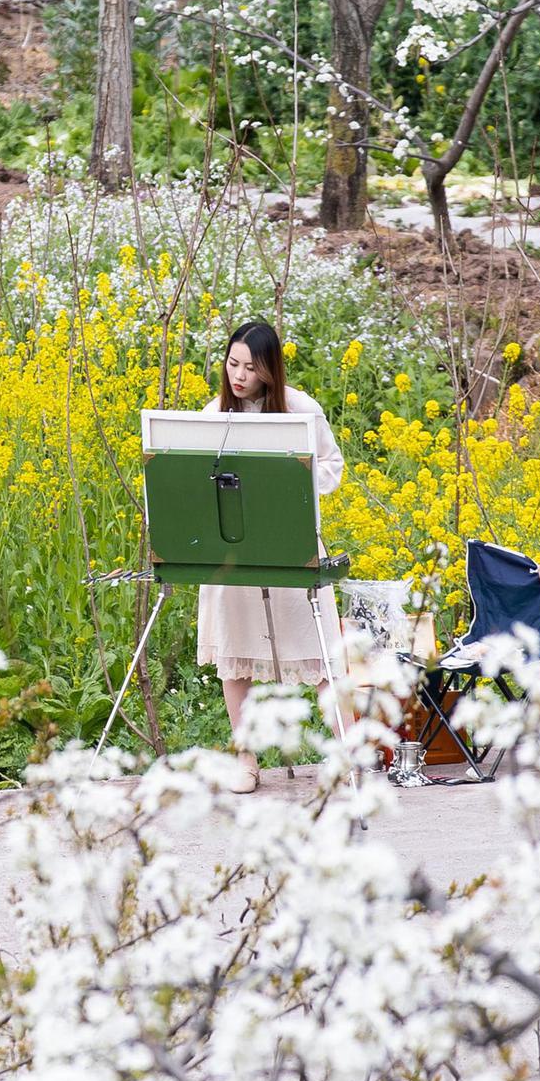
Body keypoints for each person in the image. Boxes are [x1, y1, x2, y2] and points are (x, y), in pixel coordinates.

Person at [195, 320, 347, 791]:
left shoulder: (300, 408)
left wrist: (288, 489)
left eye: (250, 367)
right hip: (232, 548)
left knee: (317, 645)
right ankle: (246, 758)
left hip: (290, 538)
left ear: (270, 370)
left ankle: (347, 753)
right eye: (232, 363)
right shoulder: (214, 411)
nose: (238, 375)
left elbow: (331, 464)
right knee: (236, 649)